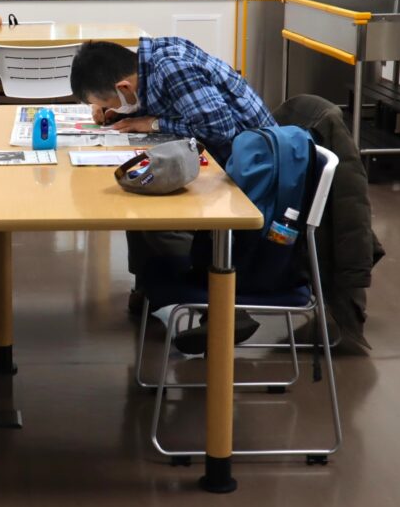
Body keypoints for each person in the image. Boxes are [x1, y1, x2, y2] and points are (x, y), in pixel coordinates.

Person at [70, 38, 276, 344]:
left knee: (153, 201)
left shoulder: (171, 68)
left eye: (108, 103)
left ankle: (215, 304)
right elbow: (180, 110)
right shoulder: (148, 67)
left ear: (124, 87)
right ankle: (151, 286)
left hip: (247, 168)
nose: (107, 109)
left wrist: (152, 123)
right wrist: (122, 114)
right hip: (225, 154)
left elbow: (219, 129)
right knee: (137, 183)